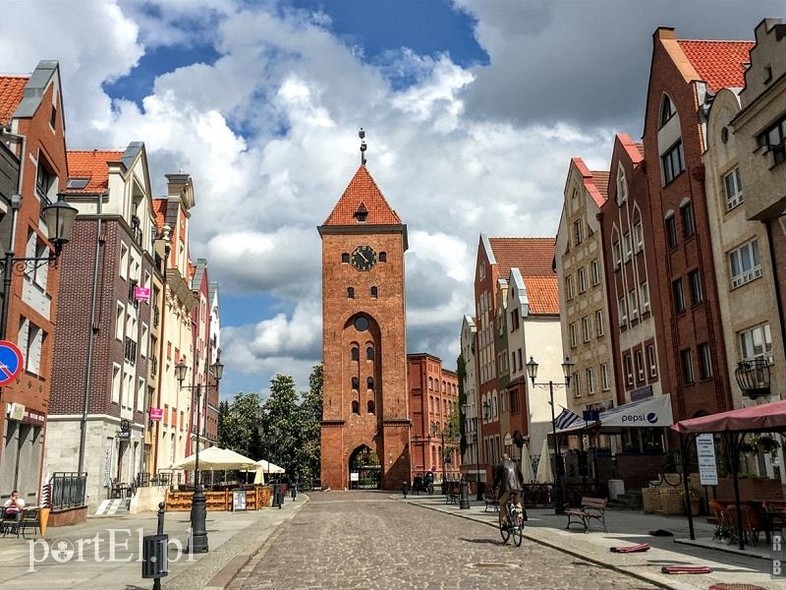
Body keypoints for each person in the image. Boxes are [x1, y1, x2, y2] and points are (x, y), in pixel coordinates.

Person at [492, 453, 524, 529]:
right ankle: (520, 520)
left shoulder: (501, 465)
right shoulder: (515, 464)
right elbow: (521, 476)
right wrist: (520, 485)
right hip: (517, 488)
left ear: (501, 459)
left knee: (502, 504)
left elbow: (497, 478)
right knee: (517, 504)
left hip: (507, 489)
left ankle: (505, 523)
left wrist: (493, 487)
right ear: (509, 458)